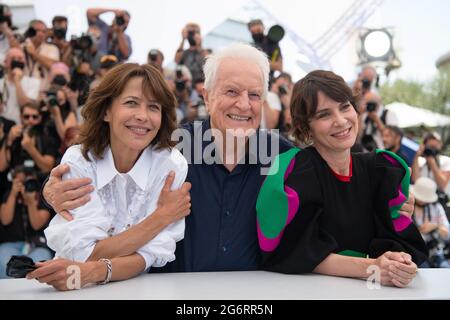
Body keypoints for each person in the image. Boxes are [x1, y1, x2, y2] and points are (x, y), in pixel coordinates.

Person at [41, 44, 416, 274]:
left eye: (255, 95)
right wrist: (52, 188)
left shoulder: (285, 156)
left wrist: (389, 200)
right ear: (206, 96)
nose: (243, 105)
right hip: (173, 295)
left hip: (259, 297)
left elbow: (342, 188)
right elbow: (108, 161)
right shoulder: (169, 146)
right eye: (231, 91)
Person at [26, 63, 191, 290]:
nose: (143, 116)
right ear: (106, 111)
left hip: (138, 289)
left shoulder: (171, 165)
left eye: (154, 107)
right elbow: (84, 252)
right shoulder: (79, 161)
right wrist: (160, 218)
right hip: (72, 288)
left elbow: (153, 253)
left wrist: (94, 270)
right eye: (131, 103)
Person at [256, 70, 427, 287]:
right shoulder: (295, 170)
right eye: (324, 114)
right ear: (306, 127)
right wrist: (371, 267)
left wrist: (400, 264)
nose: (340, 120)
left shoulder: (380, 170)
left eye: (345, 107)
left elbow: (401, 244)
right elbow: (295, 251)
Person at [0, 165, 53, 278]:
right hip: (11, 243)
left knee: (41, 261)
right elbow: (5, 220)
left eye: (28, 181)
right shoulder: (9, 195)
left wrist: (30, 203)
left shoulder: (41, 197)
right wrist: (13, 194)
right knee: (4, 260)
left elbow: (37, 224)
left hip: (37, 245)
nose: (26, 185)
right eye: (21, 182)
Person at [411, 177, 450, 268]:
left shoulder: (436, 207)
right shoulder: (408, 205)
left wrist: (434, 226)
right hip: (414, 252)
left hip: (435, 252)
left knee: (445, 269)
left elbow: (447, 234)